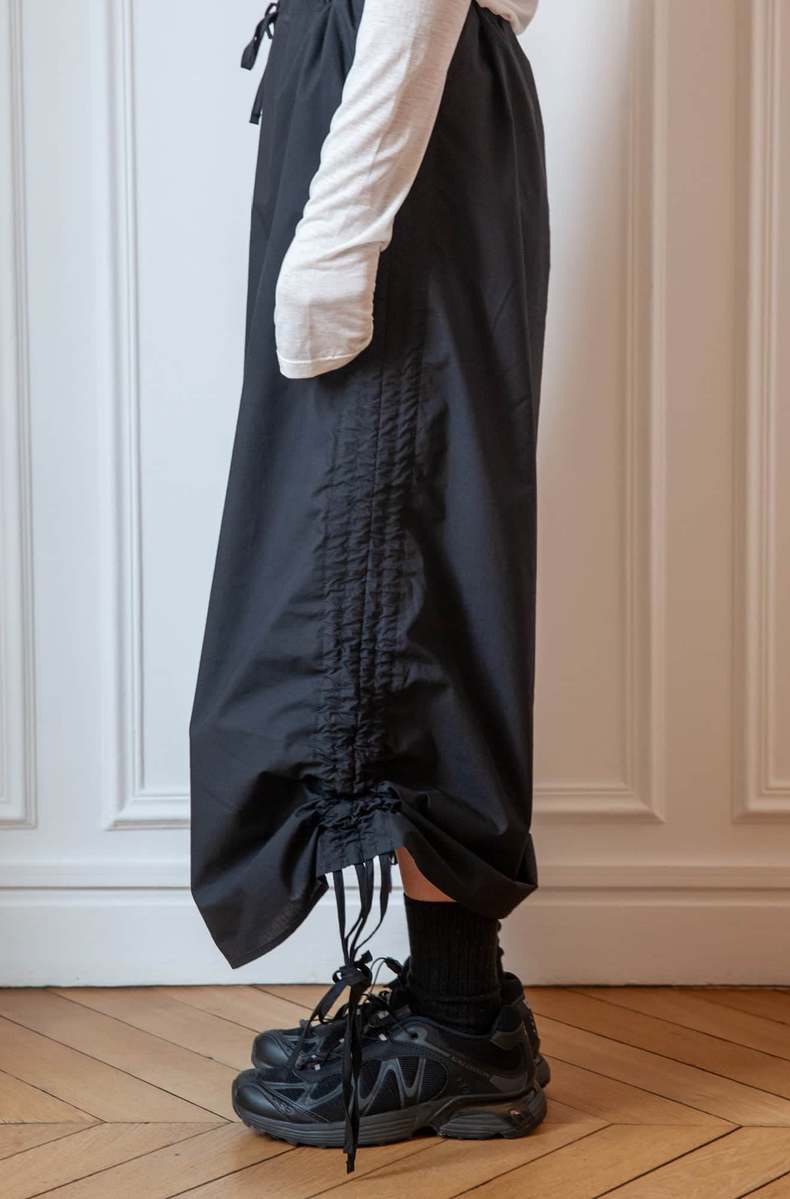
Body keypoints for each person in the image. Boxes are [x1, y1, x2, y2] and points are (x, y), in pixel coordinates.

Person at [189, 0, 550, 1174]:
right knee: (396, 546)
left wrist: (343, 230)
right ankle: (456, 1006)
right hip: (392, 103)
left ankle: (460, 1026)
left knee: (388, 567)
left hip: (394, 105)